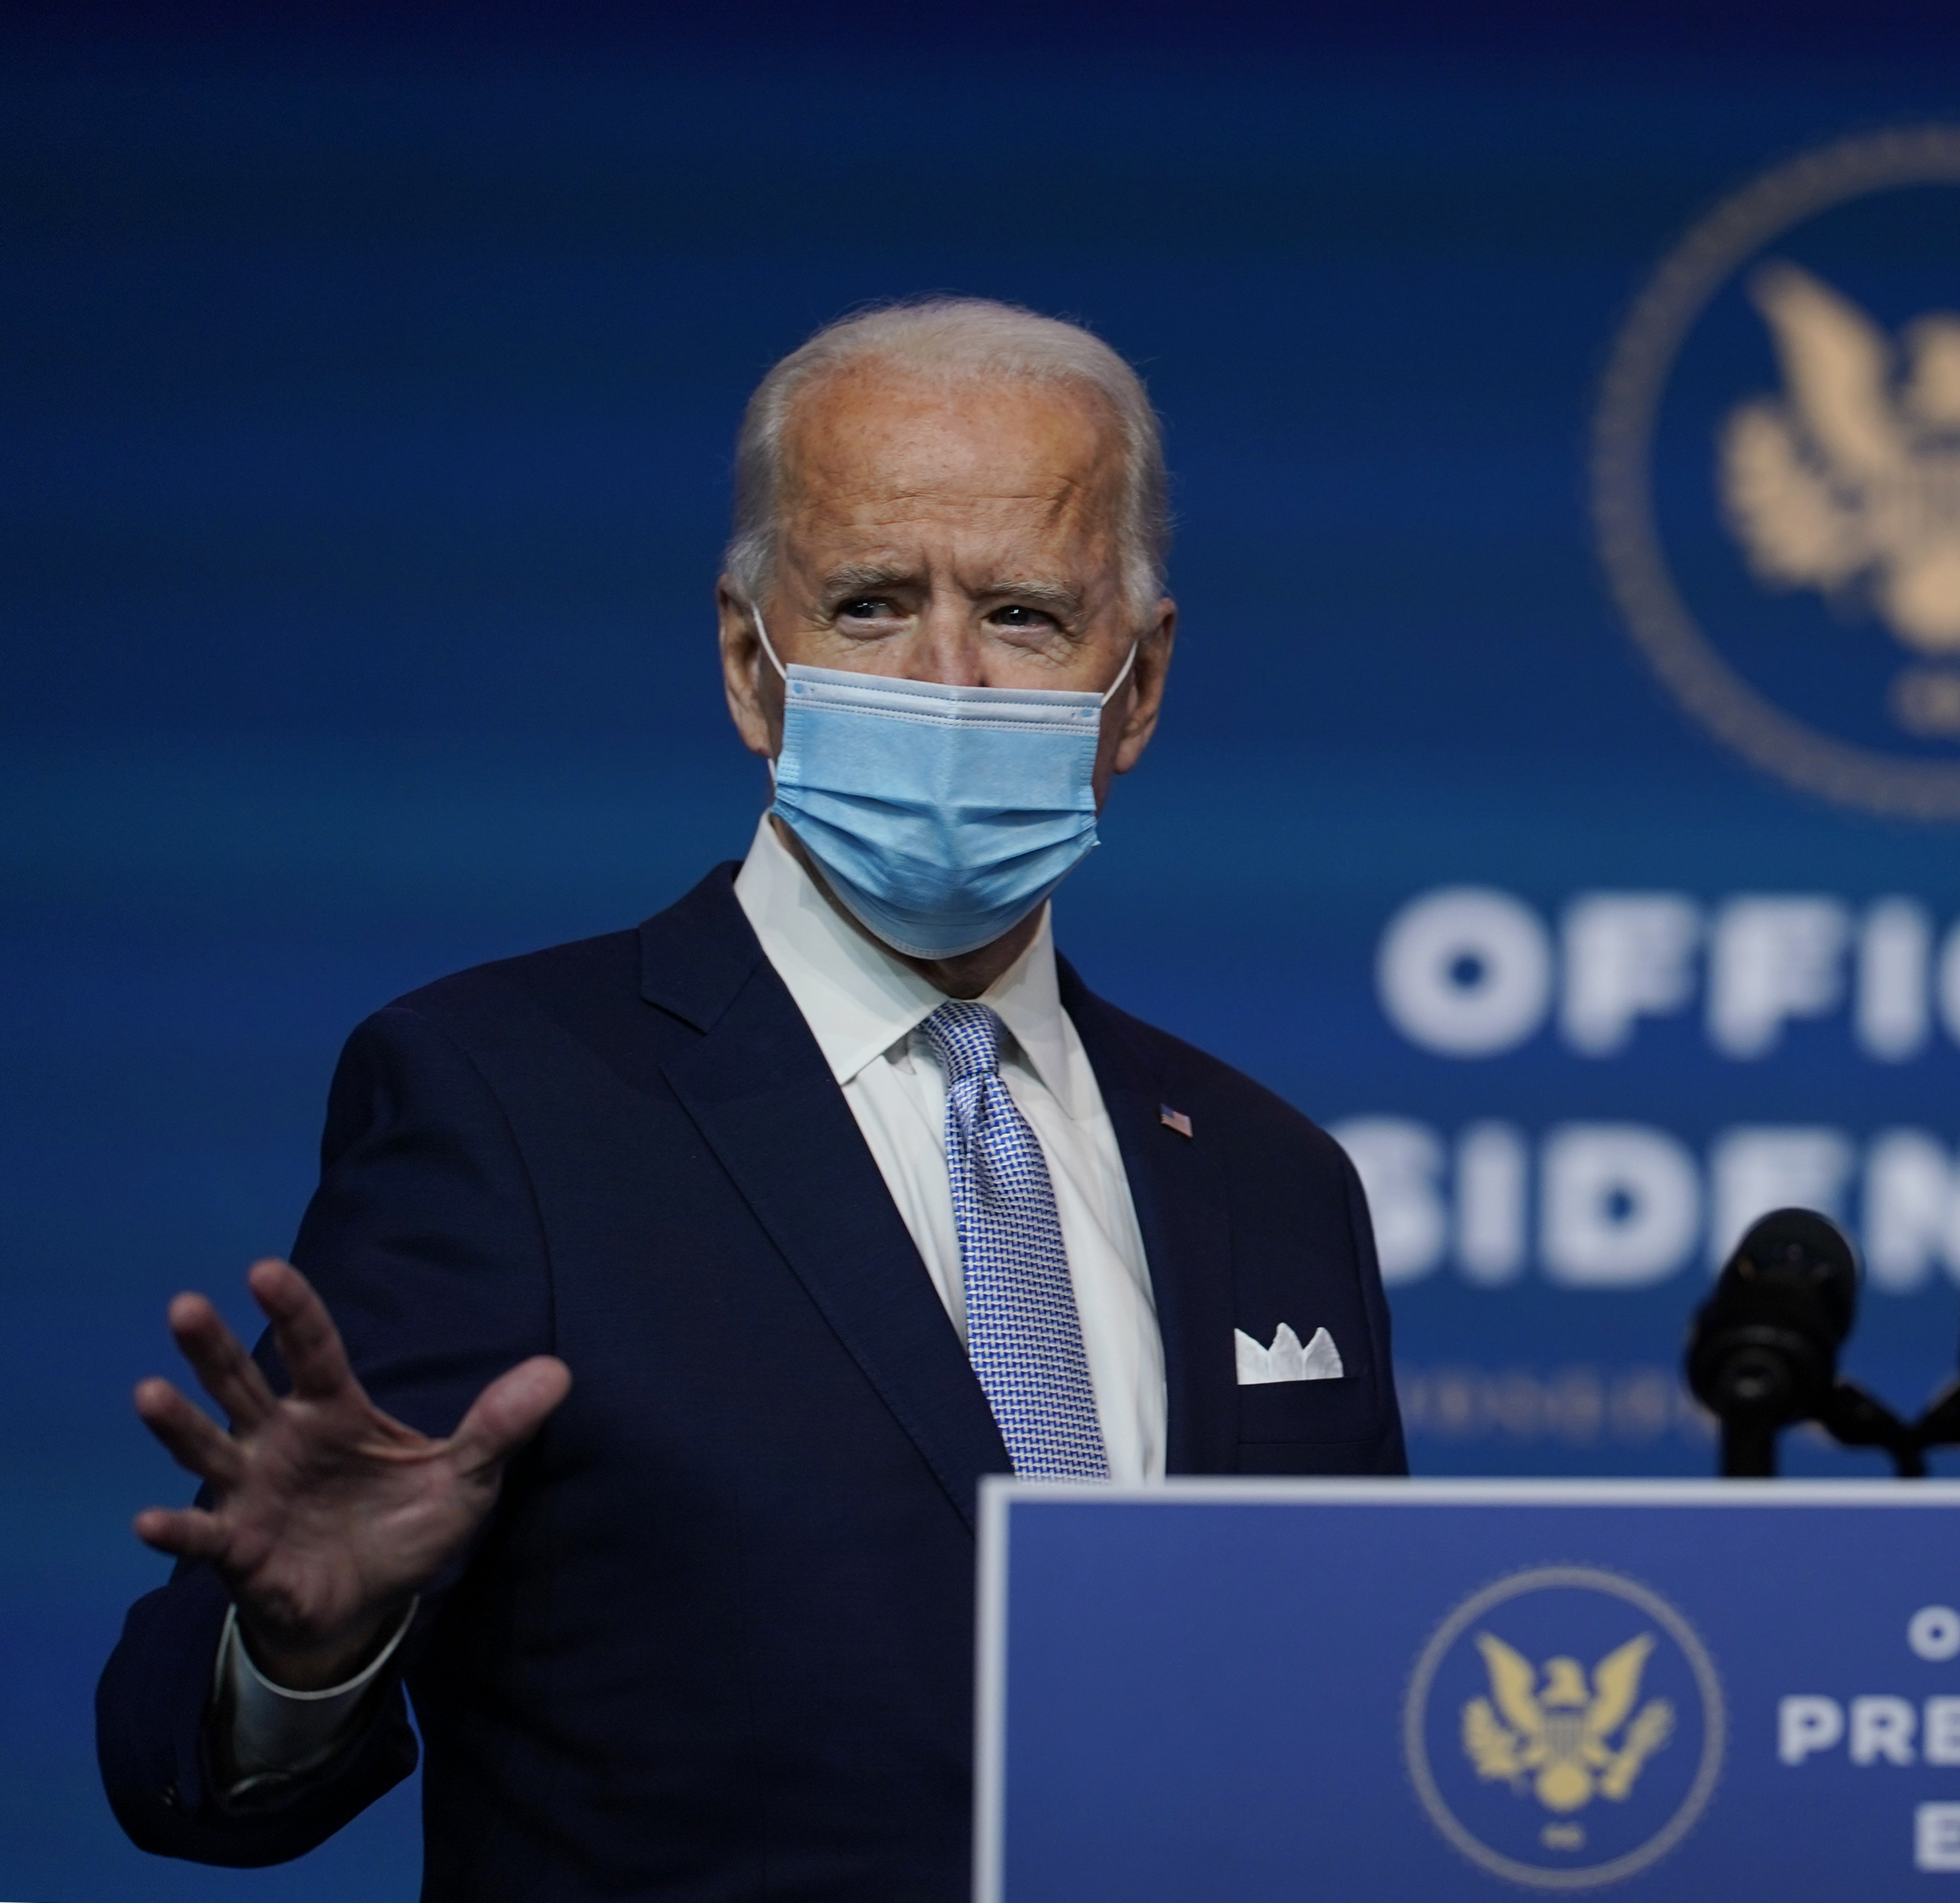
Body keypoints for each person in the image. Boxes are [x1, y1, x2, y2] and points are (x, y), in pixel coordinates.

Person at [96, 298, 1407, 1898]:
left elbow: (1351, 1743)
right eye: (868, 606)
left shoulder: (1274, 1181)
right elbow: (185, 1774)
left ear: (1134, 688)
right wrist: (310, 1638)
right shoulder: (503, 1103)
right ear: (749, 664)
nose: (948, 679)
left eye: (1020, 615)